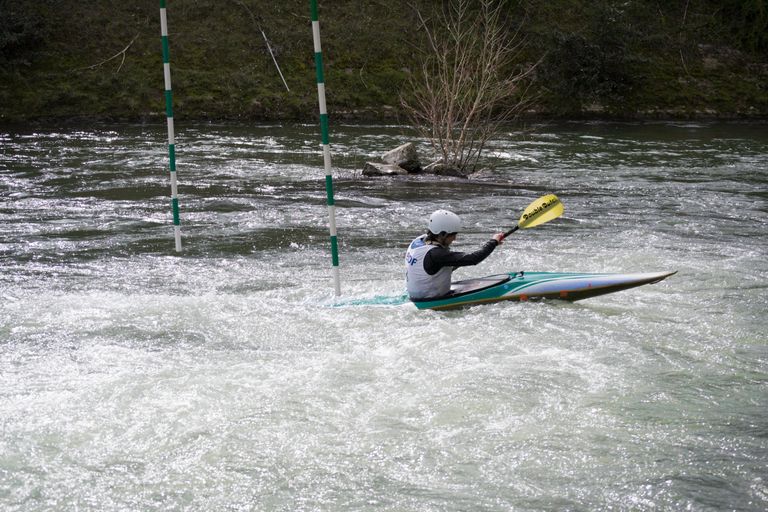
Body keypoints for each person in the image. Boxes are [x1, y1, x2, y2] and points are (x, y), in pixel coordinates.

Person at [405, 209, 505, 300]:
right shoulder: (437, 254)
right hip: (430, 299)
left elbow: (436, 266)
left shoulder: (418, 241)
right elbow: (473, 259)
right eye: (453, 235)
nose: (454, 239)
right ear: (442, 234)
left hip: (415, 296)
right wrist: (493, 242)